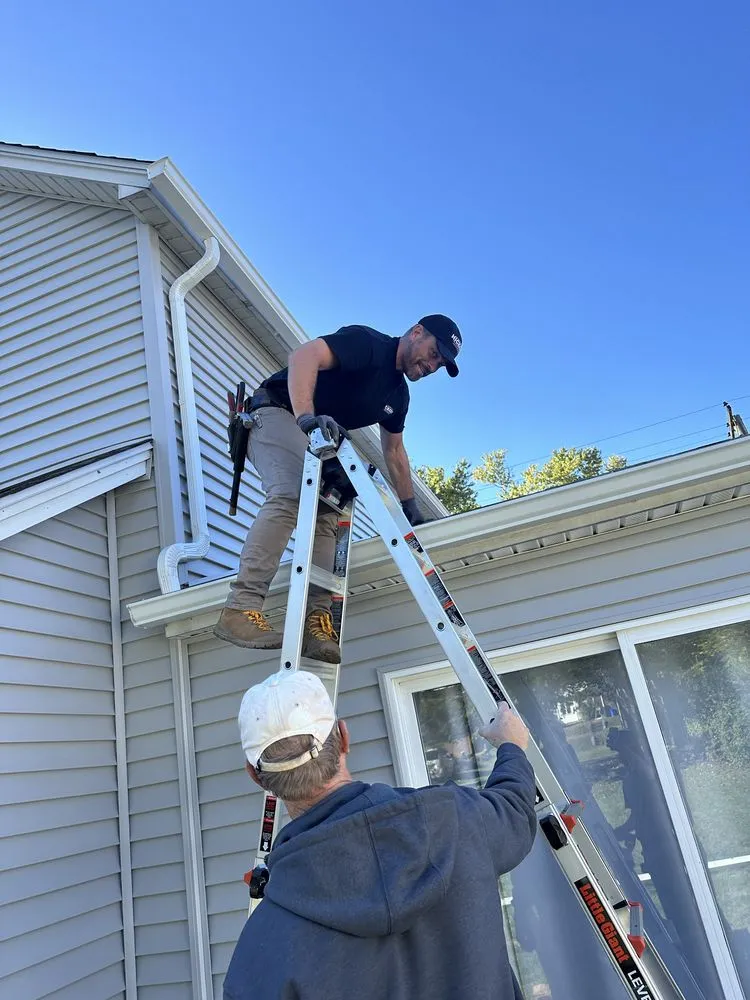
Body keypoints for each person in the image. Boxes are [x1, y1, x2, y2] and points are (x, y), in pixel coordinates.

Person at [223, 669, 537, 1000]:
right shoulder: (456, 821)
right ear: (344, 737)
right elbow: (514, 808)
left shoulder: (259, 957)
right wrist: (511, 747)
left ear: (256, 777)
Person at [214, 316, 462, 662]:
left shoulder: (398, 395)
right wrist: (305, 418)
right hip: (276, 412)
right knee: (290, 493)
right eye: (434, 353)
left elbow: (394, 451)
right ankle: (240, 608)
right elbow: (303, 356)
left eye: (440, 363)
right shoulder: (369, 345)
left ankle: (316, 624)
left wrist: (409, 506)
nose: (433, 365)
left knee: (327, 517)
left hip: (313, 435)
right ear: (416, 333)